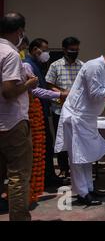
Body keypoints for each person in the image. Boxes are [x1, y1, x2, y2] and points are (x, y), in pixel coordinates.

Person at [55, 51, 105, 206]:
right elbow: (96, 95)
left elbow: (101, 93)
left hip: (87, 118)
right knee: (77, 157)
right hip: (76, 117)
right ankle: (82, 193)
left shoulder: (104, 69)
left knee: (87, 156)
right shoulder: (94, 66)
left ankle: (89, 188)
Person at [0, 13, 38, 221]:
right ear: (20, 31)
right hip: (11, 123)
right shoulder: (11, 54)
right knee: (17, 175)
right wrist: (28, 85)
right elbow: (8, 90)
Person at [23, 38, 68, 187]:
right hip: (35, 113)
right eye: (44, 50)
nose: (46, 53)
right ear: (35, 49)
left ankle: (48, 176)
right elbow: (34, 90)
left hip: (42, 111)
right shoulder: (27, 65)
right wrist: (59, 95)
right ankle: (45, 178)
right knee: (42, 146)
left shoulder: (37, 65)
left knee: (46, 145)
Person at [46, 37, 83, 179]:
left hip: (78, 110)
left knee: (77, 140)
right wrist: (62, 94)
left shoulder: (82, 65)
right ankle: (63, 168)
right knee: (62, 140)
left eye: (77, 49)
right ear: (64, 50)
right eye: (72, 50)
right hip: (59, 109)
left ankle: (78, 168)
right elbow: (49, 84)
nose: (75, 52)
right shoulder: (55, 65)